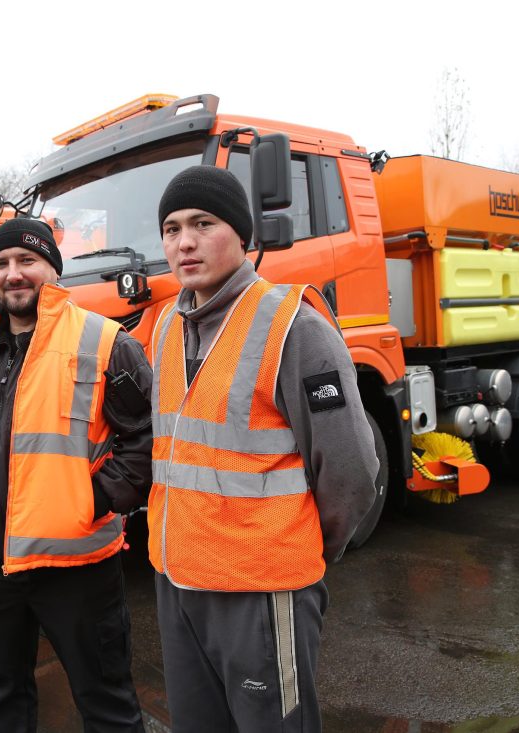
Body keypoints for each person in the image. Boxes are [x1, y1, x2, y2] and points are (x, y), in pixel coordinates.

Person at [149, 165, 379, 732]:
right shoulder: (165, 328)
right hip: (179, 583)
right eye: (172, 229)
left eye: (203, 223)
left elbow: (351, 471)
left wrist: (300, 550)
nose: (184, 242)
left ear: (242, 235)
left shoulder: (294, 328)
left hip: (262, 590)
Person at [0, 217, 151, 733]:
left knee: (107, 705)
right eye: (1, 263)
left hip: (76, 570)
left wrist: (92, 501)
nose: (14, 273)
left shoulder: (106, 343)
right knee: (5, 700)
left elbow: (146, 437)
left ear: (53, 269)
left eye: (27, 260)